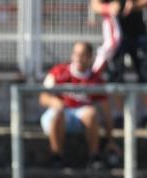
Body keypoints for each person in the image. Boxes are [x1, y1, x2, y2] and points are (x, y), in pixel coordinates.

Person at [40, 41, 119, 169]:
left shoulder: (96, 80)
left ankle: (94, 157)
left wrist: (111, 140)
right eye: (75, 54)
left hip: (80, 118)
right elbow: (43, 97)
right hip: (60, 115)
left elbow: (106, 111)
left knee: (92, 113)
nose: (77, 58)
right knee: (58, 113)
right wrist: (54, 102)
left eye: (82, 55)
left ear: (89, 58)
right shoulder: (58, 71)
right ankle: (56, 156)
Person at [95, 0, 147, 129]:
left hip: (137, 32)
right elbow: (95, 5)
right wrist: (109, 8)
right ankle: (118, 116)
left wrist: (134, 6)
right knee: (116, 74)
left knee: (145, 73)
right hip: (116, 33)